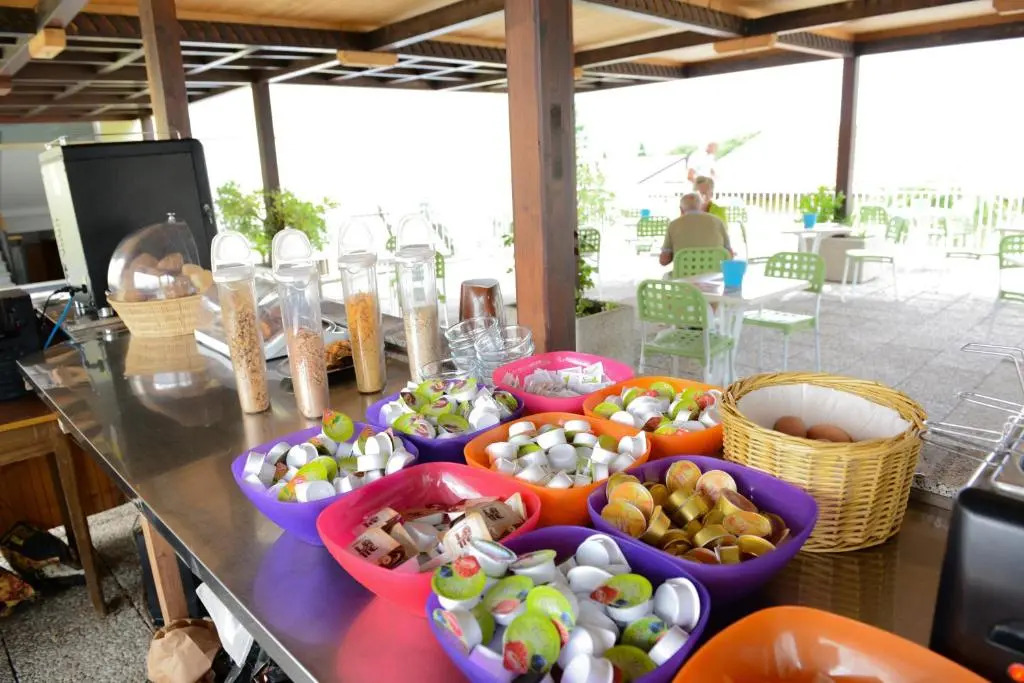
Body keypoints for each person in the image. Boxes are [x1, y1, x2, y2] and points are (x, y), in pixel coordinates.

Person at [658, 192, 732, 267]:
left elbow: (664, 260)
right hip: (714, 272)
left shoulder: (673, 225)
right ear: (702, 207)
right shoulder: (717, 221)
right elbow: (729, 255)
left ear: (681, 209)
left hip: (684, 272)